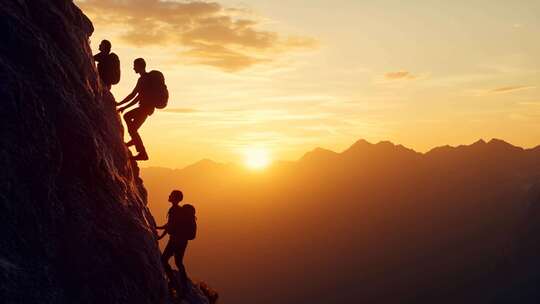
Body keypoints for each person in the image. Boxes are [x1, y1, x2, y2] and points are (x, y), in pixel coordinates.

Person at [157, 190, 197, 298]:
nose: (169, 196)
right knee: (179, 262)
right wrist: (159, 228)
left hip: (175, 240)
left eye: (171, 195)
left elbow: (170, 226)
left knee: (164, 260)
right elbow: (170, 224)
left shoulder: (174, 210)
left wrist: (160, 236)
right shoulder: (179, 210)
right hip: (182, 241)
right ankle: (183, 285)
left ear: (175, 198)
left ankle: (175, 283)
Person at [117, 58, 153, 161]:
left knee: (128, 119)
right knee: (133, 129)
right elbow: (137, 97)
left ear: (140, 66)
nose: (133, 68)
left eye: (135, 65)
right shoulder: (146, 79)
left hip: (144, 109)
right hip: (146, 109)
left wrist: (122, 105)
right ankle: (135, 143)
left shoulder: (143, 80)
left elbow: (134, 95)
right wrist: (122, 105)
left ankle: (142, 153)